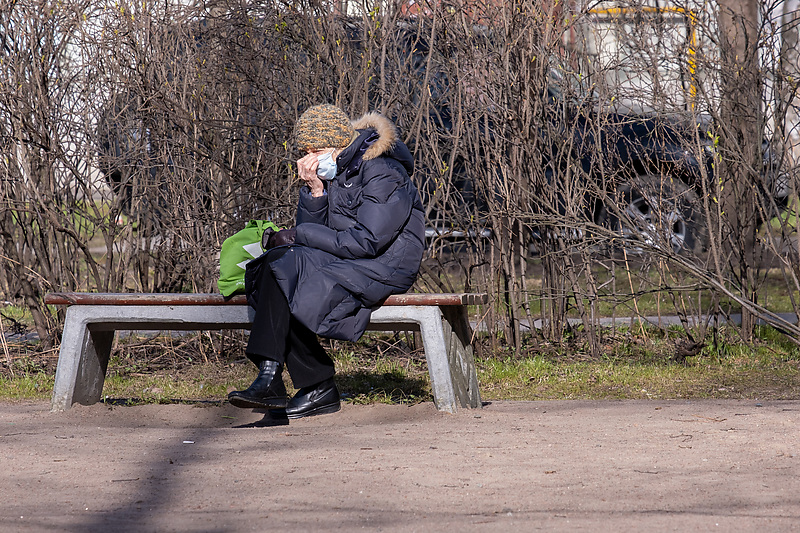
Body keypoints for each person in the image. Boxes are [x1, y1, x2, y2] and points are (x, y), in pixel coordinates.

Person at [228, 104, 426, 419]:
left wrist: (300, 235)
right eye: (305, 151)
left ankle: (313, 383)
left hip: (385, 265)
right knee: (272, 265)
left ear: (340, 143)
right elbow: (320, 235)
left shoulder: (382, 170)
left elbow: (369, 241)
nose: (310, 158)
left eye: (316, 150)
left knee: (285, 273)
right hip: (349, 259)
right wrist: (315, 191)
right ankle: (272, 377)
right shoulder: (334, 171)